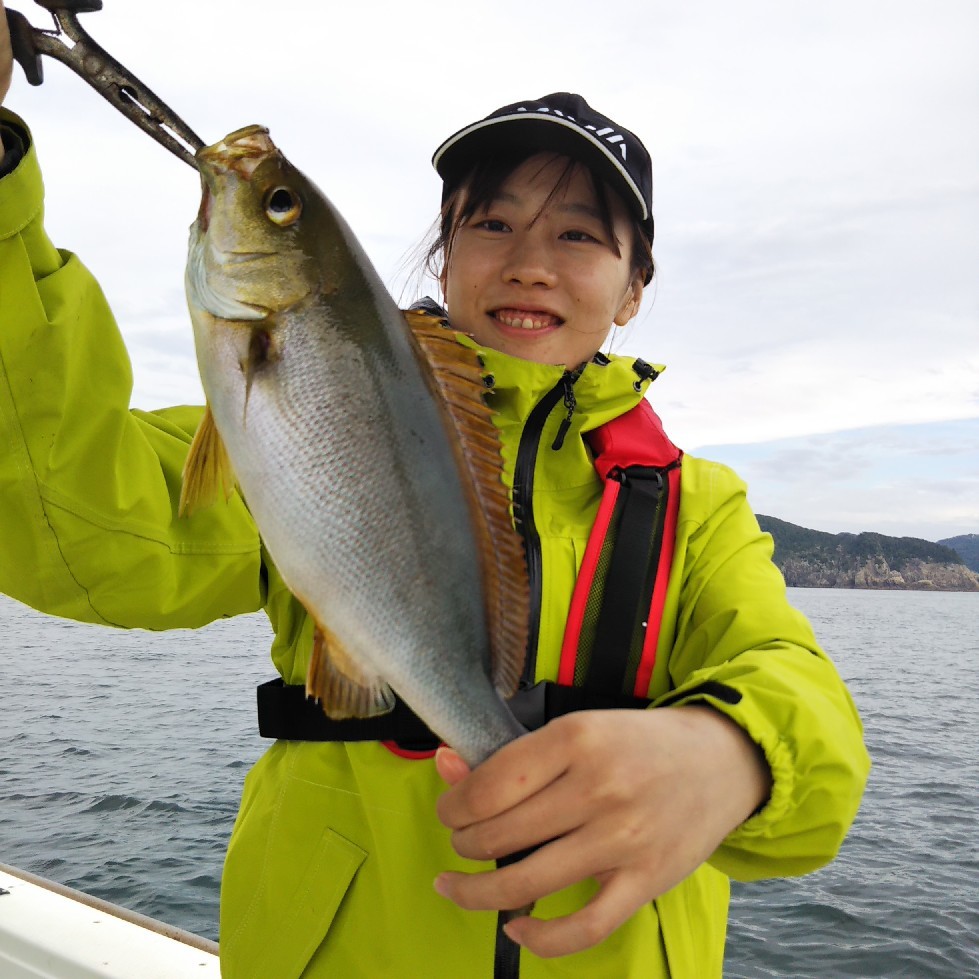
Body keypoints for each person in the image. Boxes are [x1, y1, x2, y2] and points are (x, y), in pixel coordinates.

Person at [0, 8, 869, 976]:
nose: (529, 260)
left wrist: (735, 754)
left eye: (580, 234)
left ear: (633, 288)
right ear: (442, 260)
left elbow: (794, 687)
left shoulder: (693, 504)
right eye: (489, 223)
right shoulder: (298, 416)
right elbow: (77, 532)